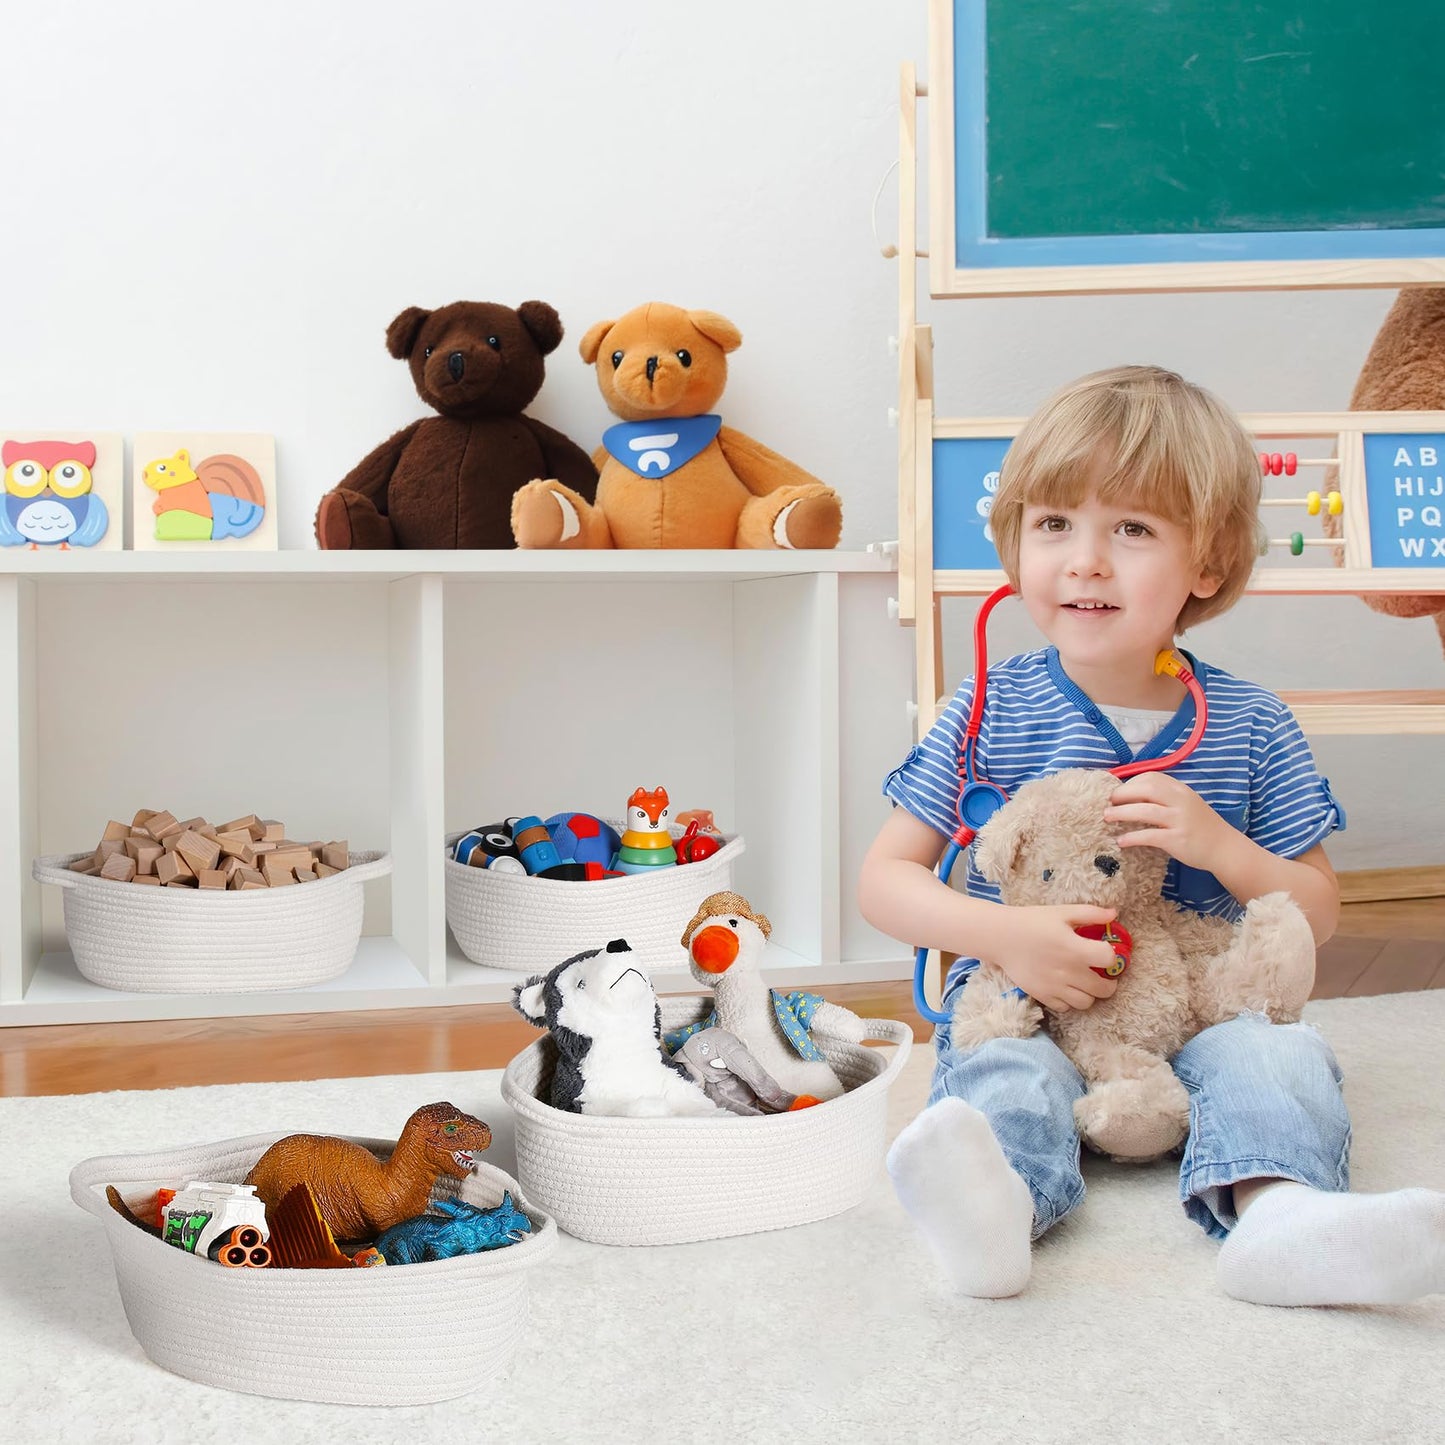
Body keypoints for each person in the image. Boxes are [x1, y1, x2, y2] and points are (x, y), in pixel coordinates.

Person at [859, 365, 1445, 1305]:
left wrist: (1220, 847)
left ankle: (1281, 1214)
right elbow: (886, 880)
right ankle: (997, 1216)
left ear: (1205, 566)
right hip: (1036, 1001)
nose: (1084, 559)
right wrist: (1004, 937)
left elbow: (1320, 912)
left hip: (1203, 1005)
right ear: (1015, 543)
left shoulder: (1252, 723)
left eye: (1130, 529)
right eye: (1054, 524)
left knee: (1279, 1054)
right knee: (1005, 1070)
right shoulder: (986, 705)